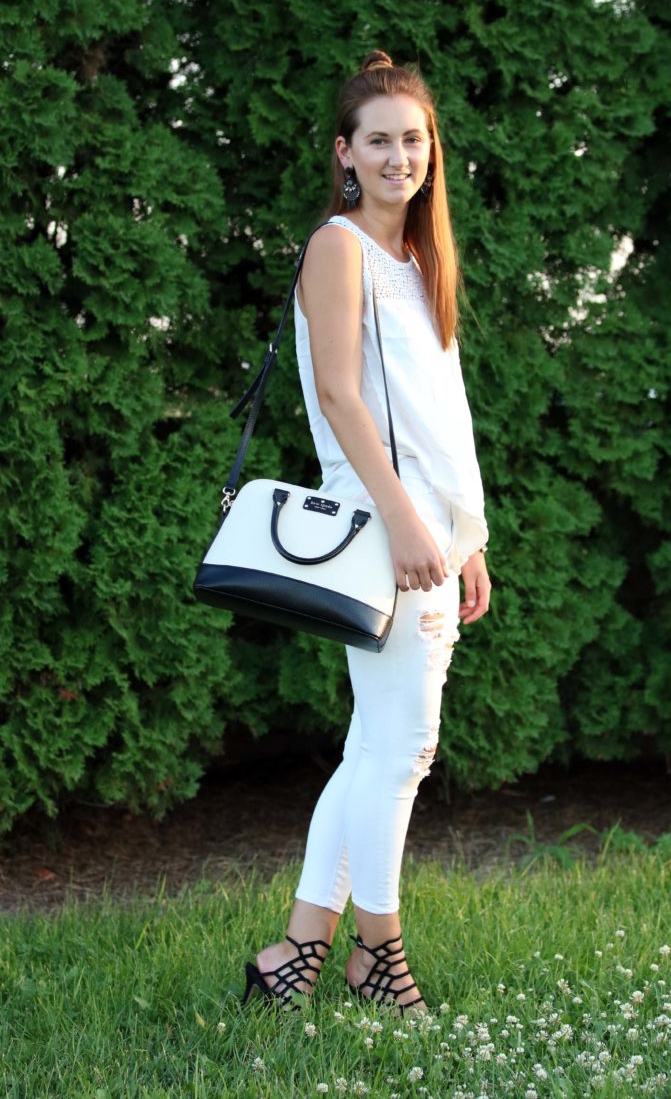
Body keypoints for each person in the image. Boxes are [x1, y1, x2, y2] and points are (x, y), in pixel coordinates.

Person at [242, 51, 491, 1015]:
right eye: (379, 140)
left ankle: (295, 953)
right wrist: (404, 519)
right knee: (402, 749)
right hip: (385, 528)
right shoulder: (339, 247)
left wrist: (468, 534)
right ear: (345, 154)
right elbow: (341, 396)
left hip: (430, 528)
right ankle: (377, 959)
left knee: (377, 747)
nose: (399, 157)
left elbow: (440, 415)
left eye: (413, 139)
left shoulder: (420, 260)